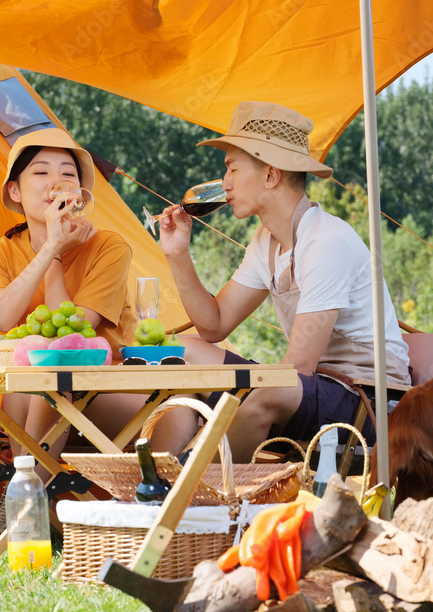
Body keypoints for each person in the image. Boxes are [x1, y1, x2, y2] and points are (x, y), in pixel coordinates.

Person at [158, 101, 410, 462]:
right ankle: (156, 482)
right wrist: (177, 254)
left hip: (367, 400)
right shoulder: (267, 241)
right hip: (311, 387)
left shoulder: (326, 241)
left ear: (271, 175)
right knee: (181, 352)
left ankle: (192, 493)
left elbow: (297, 366)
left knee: (268, 390)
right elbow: (213, 326)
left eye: (232, 168)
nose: (224, 182)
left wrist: (235, 390)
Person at [0, 127, 141, 550]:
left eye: (67, 174)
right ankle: (27, 506)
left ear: (80, 192)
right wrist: (48, 249)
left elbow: (74, 331)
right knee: (32, 377)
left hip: (108, 388)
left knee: (49, 373)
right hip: (32, 392)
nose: (56, 183)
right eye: (41, 173)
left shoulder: (110, 246)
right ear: (15, 191)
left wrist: (58, 253)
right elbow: (4, 316)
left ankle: (18, 509)